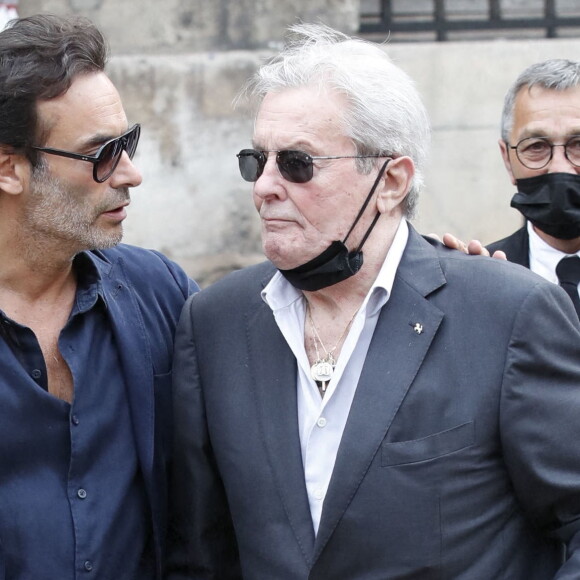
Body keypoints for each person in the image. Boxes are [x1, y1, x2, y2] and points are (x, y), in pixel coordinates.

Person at [166, 24, 580, 579]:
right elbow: (199, 552)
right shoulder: (214, 321)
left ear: (390, 181)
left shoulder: (508, 313)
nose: (264, 186)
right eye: (255, 160)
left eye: (297, 163)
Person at [0, 14, 197, 579]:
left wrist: (422, 271)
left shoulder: (158, 290)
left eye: (126, 143)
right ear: (10, 167)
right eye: (100, 153)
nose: (130, 174)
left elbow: (286, 347)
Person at [486, 59, 580, 318]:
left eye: (578, 144)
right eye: (536, 147)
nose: (560, 168)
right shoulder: (478, 281)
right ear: (507, 159)